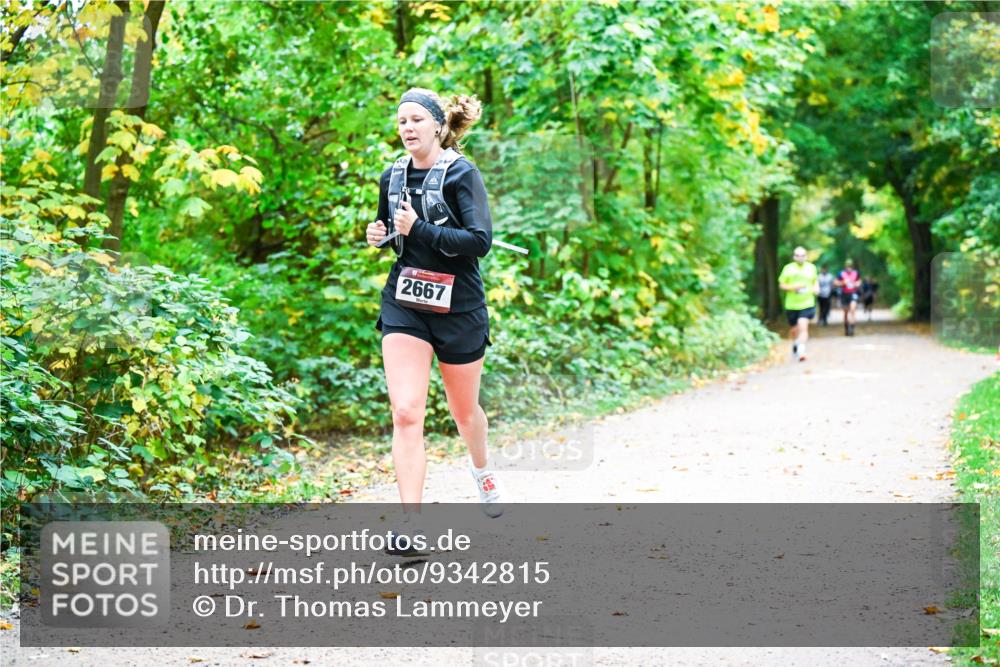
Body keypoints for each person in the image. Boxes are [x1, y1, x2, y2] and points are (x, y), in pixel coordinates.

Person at [365, 88, 503, 552]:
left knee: (465, 413)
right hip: (406, 302)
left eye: (416, 120)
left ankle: (481, 470)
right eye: (401, 120)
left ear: (437, 126)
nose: (407, 128)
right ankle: (411, 526)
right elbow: (392, 229)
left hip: (458, 306)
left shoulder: (462, 173)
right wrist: (378, 234)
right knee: (406, 413)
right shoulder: (392, 175)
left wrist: (418, 229)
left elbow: (479, 240)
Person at [778, 246, 818, 362]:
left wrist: (816, 288)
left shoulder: (811, 268)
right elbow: (782, 285)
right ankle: (796, 343)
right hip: (791, 305)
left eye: (803, 255)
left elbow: (815, 281)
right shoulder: (788, 268)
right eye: (798, 255)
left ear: (806, 256)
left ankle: (801, 350)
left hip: (807, 303)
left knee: (803, 326)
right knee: (794, 330)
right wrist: (794, 287)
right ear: (794, 257)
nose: (800, 258)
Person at [835, 259, 861, 336]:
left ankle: (852, 328)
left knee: (852, 309)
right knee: (846, 313)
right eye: (847, 266)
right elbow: (835, 282)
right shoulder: (841, 273)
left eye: (850, 266)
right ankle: (846, 328)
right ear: (845, 266)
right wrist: (843, 283)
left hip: (853, 293)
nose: (849, 267)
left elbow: (859, 281)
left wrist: (856, 284)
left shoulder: (856, 273)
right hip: (844, 294)